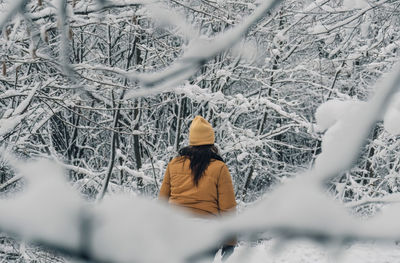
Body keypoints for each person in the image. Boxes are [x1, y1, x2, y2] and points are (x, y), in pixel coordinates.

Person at [159, 115, 237, 261]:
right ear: (211, 142)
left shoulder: (174, 164)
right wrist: (230, 241)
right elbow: (228, 207)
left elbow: (162, 201)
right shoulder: (219, 167)